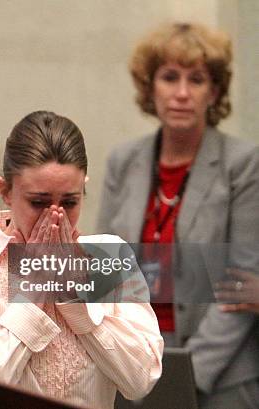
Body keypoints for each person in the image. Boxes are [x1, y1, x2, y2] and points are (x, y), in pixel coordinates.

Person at [0, 111, 163, 409]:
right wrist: (32, 291)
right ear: (5, 191)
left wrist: (75, 298)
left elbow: (140, 380)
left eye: (70, 202)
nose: (55, 216)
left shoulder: (110, 255)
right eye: (38, 202)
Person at [96, 22, 259, 408]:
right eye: (170, 77)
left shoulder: (243, 165)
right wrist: (132, 363)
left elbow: (241, 285)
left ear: (214, 91)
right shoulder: (124, 162)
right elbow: (104, 270)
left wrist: (188, 376)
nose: (182, 93)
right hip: (134, 364)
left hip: (221, 376)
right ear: (150, 87)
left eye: (197, 79)